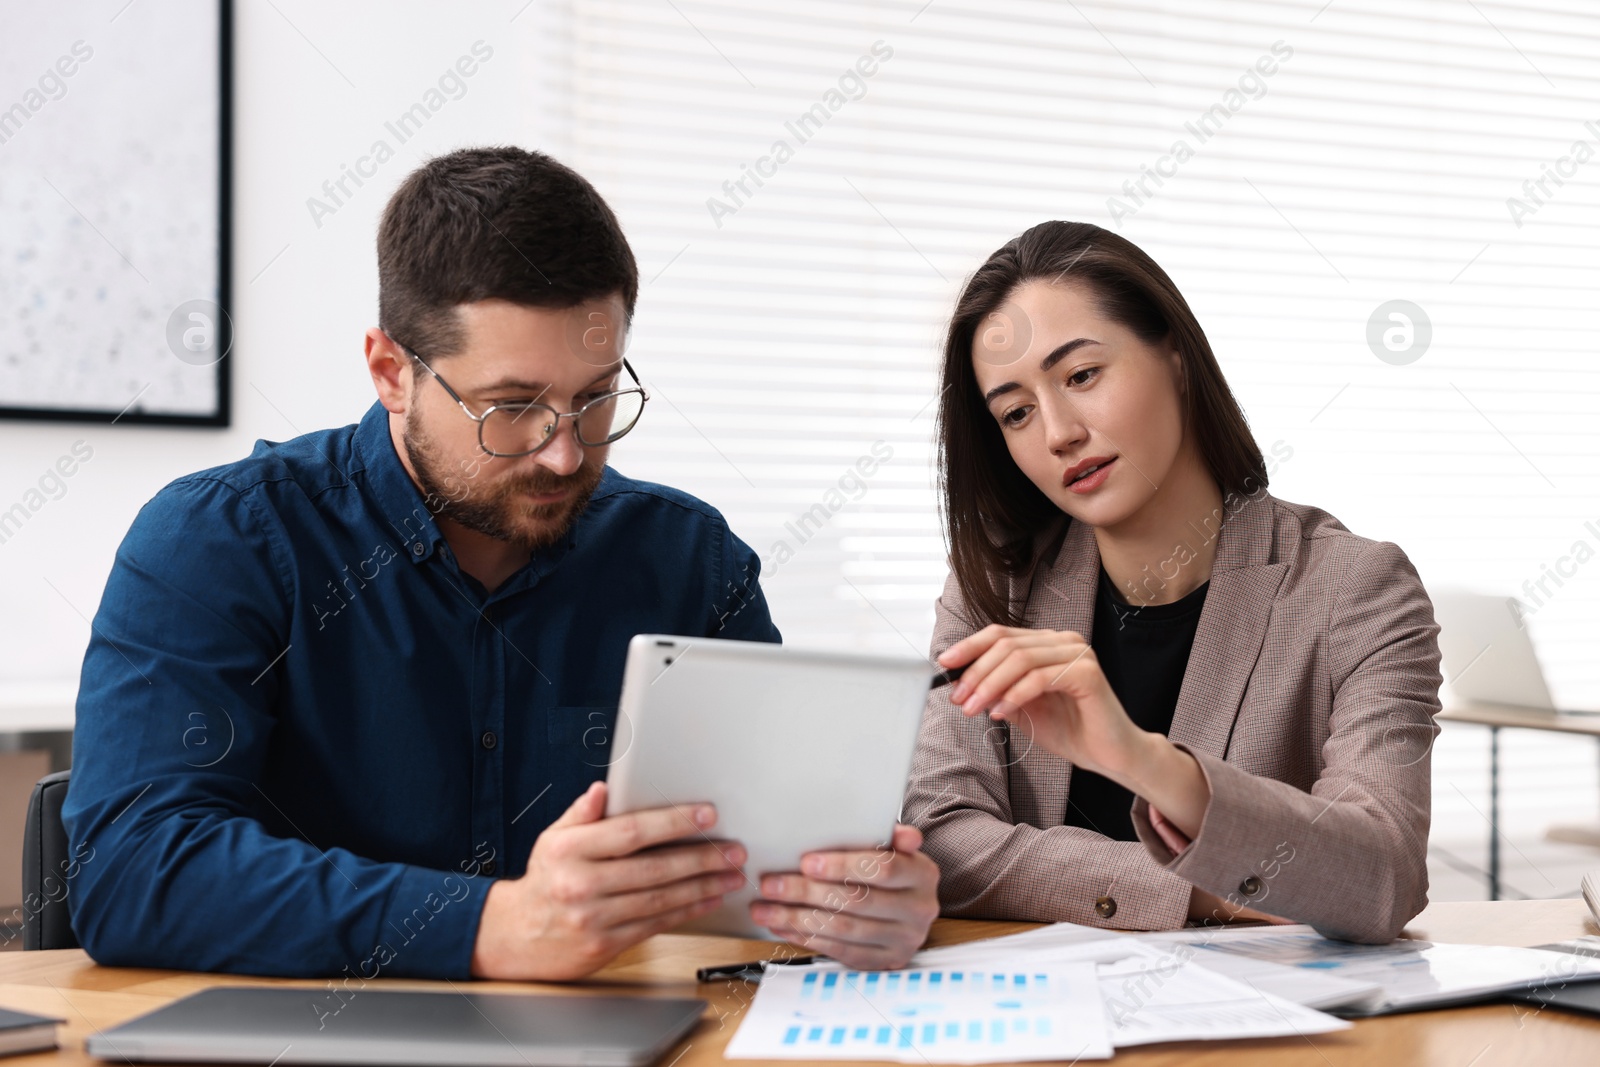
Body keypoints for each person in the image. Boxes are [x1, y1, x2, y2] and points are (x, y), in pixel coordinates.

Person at [63, 146, 938, 981]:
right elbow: (133, 869)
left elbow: (782, 851)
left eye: (595, 399)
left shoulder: (691, 563)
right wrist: (493, 925)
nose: (564, 454)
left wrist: (863, 903)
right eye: (512, 408)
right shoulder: (221, 539)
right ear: (391, 372)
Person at [903, 221, 1441, 944]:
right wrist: (1195, 890)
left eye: (1082, 375)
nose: (1058, 431)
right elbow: (940, 839)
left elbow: (1380, 876)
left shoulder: (1357, 589)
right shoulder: (992, 586)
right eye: (1017, 412)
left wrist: (1142, 760)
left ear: (1177, 357)